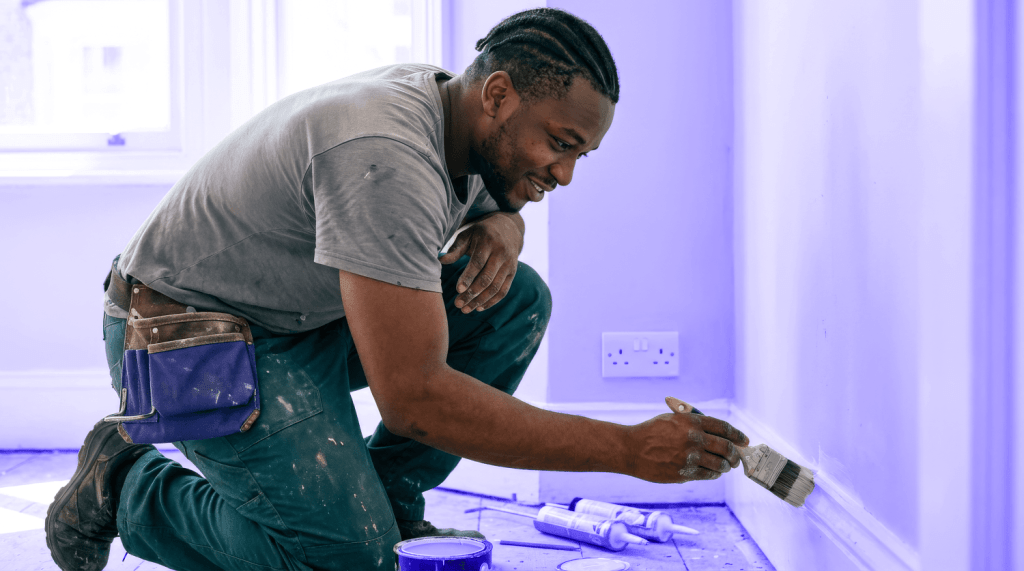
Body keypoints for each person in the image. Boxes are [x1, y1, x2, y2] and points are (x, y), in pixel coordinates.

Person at [45, 7, 749, 571]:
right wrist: (623, 450)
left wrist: (506, 226)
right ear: (499, 94)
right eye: (559, 144)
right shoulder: (384, 156)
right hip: (184, 336)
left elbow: (486, 204)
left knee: (516, 302)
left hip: (294, 315)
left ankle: (387, 495)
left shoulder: (458, 112)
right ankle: (129, 484)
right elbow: (414, 399)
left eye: (579, 155)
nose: (565, 175)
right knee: (348, 560)